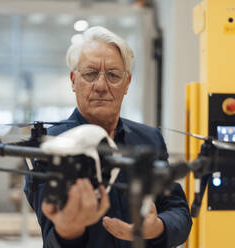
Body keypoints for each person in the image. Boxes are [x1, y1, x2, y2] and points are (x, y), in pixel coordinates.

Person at [25, 26, 192, 248]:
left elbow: (178, 211)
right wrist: (69, 229)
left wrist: (158, 227)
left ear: (127, 83)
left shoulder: (149, 139)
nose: (101, 86)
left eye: (113, 75)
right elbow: (52, 239)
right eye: (90, 74)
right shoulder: (51, 147)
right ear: (74, 80)